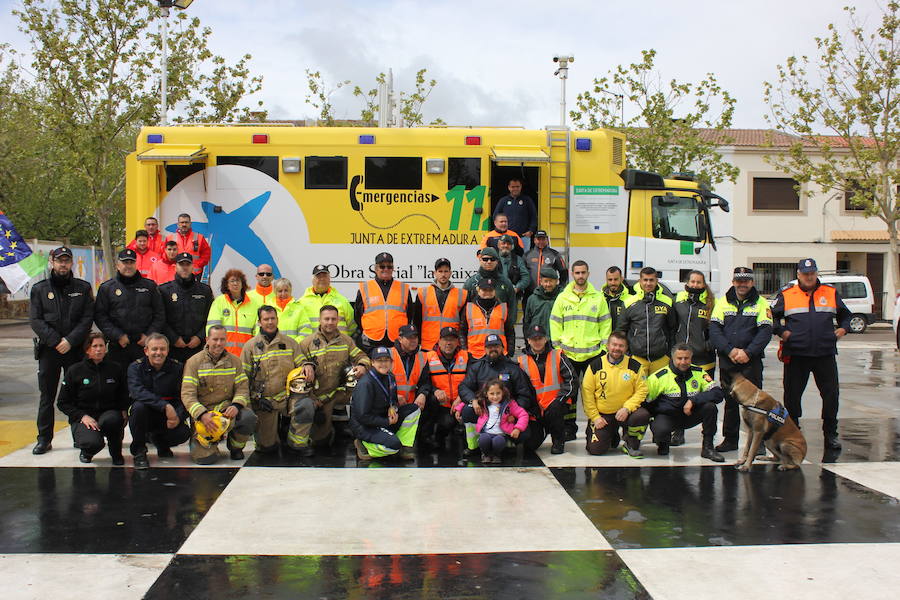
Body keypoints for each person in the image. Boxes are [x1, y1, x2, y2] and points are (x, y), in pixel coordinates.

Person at [771, 258, 850, 450]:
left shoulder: (830, 292)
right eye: (805, 274)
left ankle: (830, 434)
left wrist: (844, 329)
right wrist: (781, 332)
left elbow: (845, 315)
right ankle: (793, 432)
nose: (809, 277)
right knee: (792, 396)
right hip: (797, 354)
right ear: (798, 274)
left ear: (816, 273)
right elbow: (771, 317)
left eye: (812, 273)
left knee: (831, 395)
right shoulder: (787, 294)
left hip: (824, 353)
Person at [29, 246, 94, 455]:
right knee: (47, 396)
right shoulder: (39, 289)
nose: (63, 264)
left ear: (71, 263)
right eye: (59, 260)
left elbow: (87, 319)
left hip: (75, 349)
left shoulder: (83, 288)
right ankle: (44, 439)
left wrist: (70, 340)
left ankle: (80, 437)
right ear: (52, 262)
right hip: (50, 350)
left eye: (66, 260)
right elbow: (35, 320)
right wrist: (57, 340)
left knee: (78, 396)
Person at [709, 267, 773, 453]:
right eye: (739, 280)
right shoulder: (722, 303)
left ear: (752, 282)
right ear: (734, 281)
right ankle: (730, 440)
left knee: (755, 404)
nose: (742, 284)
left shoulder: (761, 303)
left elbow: (765, 332)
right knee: (730, 403)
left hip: (750, 361)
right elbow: (714, 330)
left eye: (746, 280)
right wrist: (729, 351)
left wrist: (748, 352)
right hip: (728, 361)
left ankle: (758, 443)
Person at [291, 305, 370, 454]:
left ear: (338, 320)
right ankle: (326, 430)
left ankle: (360, 435)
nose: (330, 322)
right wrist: (312, 397)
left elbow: (362, 356)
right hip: (318, 397)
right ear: (320, 320)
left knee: (364, 389)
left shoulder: (346, 341)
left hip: (339, 392)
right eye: (326, 319)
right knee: (321, 443)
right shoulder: (307, 343)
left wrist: (362, 366)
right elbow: (297, 368)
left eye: (333, 319)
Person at [549, 260, 611, 440]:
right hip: (569, 355)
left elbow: (605, 323)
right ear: (572, 274)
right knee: (570, 393)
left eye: (583, 272)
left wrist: (604, 349)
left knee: (596, 392)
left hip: (593, 354)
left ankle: (596, 425)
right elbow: (555, 323)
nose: (580, 276)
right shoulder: (563, 297)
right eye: (577, 273)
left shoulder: (598, 297)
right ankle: (569, 428)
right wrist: (558, 348)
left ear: (588, 274)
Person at [181, 325, 258, 464]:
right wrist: (202, 414)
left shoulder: (235, 361)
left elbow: (242, 387)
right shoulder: (193, 362)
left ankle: (236, 447)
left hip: (227, 411)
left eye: (222, 339)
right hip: (205, 416)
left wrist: (236, 405)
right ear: (207, 340)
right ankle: (200, 441)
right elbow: (187, 394)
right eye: (215, 339)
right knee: (206, 460)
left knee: (248, 417)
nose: (218, 343)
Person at [456, 334, 537, 456]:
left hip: (506, 415)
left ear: (502, 348)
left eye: (496, 346)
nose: (493, 349)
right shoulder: (477, 367)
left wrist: (513, 413)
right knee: (467, 410)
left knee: (526, 436)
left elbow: (524, 395)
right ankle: (474, 445)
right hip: (484, 412)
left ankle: (505, 442)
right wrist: (473, 400)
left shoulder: (513, 369)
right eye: (489, 346)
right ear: (484, 349)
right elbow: (464, 387)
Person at [56, 332, 129, 464]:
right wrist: (82, 416)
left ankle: (116, 454)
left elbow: (123, 394)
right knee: (93, 443)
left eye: (101, 345)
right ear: (87, 349)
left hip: (108, 412)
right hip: (84, 416)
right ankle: (87, 451)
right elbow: (62, 402)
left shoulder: (115, 369)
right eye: (95, 346)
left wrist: (123, 410)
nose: (99, 349)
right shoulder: (75, 371)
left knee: (113, 421)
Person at [645, 344, 725, 462]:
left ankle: (708, 448)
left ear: (691, 358)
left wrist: (693, 400)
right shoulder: (659, 377)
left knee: (710, 407)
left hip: (690, 415)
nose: (683, 362)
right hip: (669, 417)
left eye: (686, 358)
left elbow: (718, 393)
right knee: (660, 430)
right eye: (679, 358)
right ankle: (663, 441)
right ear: (672, 358)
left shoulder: (699, 373)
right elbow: (645, 401)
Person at [240, 305, 302, 454]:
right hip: (264, 401)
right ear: (259, 322)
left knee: (306, 405)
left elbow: (302, 364)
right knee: (268, 448)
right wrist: (255, 398)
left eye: (272, 318)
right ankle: (273, 433)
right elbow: (243, 380)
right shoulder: (250, 347)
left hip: (288, 399)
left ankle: (294, 440)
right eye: (266, 319)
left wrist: (307, 366)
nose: (270, 322)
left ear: (277, 319)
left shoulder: (290, 343)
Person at [126, 333, 191, 469]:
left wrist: (178, 416)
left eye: (162, 349)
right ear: (146, 351)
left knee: (183, 433)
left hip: (168, 417)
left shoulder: (178, 368)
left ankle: (161, 443)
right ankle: (139, 452)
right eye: (154, 349)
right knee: (138, 408)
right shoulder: (135, 368)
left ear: (168, 350)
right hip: (146, 414)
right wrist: (165, 406)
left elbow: (184, 396)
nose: (158, 353)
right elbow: (137, 392)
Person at [94, 248, 164, 371]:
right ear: (118, 265)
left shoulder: (150, 286)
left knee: (144, 383)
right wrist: (118, 335)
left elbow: (160, 314)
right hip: (118, 346)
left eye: (131, 262)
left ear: (136, 264)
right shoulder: (107, 288)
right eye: (125, 262)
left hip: (143, 345)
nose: (128, 266)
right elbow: (100, 316)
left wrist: (148, 336)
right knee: (119, 386)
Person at [581, 331, 649, 457]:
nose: (617, 348)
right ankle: (612, 433)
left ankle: (631, 443)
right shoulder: (595, 366)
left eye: (621, 346)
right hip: (603, 415)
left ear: (626, 348)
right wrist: (595, 417)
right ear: (607, 345)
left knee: (642, 415)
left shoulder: (634, 366)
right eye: (614, 345)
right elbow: (587, 393)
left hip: (625, 413)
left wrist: (627, 408)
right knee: (596, 450)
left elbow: (642, 390)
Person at [350, 346, 421, 461]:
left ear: (391, 362)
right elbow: (362, 416)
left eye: (386, 360)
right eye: (379, 360)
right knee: (393, 446)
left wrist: (393, 407)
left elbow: (392, 399)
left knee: (414, 409)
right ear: (372, 362)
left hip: (382, 418)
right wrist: (386, 421)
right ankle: (365, 445)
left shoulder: (390, 376)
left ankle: (403, 446)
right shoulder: (366, 384)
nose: (383, 364)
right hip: (365, 426)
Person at [671, 270, 716, 447]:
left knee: (706, 399)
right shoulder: (679, 302)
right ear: (687, 283)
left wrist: (707, 345)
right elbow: (672, 325)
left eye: (699, 282)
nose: (695, 285)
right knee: (679, 396)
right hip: (682, 360)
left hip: (704, 360)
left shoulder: (711, 304)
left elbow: (717, 329)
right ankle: (678, 431)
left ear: (704, 285)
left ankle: (708, 438)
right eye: (693, 282)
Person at [517, 325, 575, 454]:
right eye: (534, 339)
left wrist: (559, 400)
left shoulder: (558, 355)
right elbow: (521, 389)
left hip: (555, 405)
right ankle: (543, 430)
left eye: (540, 338)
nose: (537, 341)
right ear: (528, 340)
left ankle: (558, 440)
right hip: (535, 409)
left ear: (546, 339)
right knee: (529, 445)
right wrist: (531, 408)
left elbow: (571, 381)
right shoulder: (521, 361)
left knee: (556, 410)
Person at [418, 326, 471, 449]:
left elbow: (472, 382)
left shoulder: (467, 357)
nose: (449, 343)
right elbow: (423, 382)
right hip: (440, 405)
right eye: (445, 339)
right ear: (439, 341)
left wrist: (461, 397)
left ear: (458, 342)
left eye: (452, 340)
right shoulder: (428, 357)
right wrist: (435, 390)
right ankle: (427, 436)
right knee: (430, 401)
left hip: (459, 403)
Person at [618, 267, 676, 375]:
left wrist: (669, 354)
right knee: (639, 391)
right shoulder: (629, 303)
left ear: (657, 281)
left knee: (660, 392)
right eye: (645, 280)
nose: (648, 283)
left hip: (661, 359)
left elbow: (673, 329)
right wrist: (627, 354)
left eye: (651, 280)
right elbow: (621, 331)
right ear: (640, 281)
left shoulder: (667, 302)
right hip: (637, 358)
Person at [354, 252, 415, 354]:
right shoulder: (365, 288)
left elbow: (410, 314)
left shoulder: (403, 288)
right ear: (375, 268)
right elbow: (357, 315)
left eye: (389, 266)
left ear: (393, 268)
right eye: (382, 266)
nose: (386, 269)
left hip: (397, 341)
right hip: (371, 341)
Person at [159, 252, 213, 364]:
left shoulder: (205, 290)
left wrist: (199, 337)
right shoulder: (164, 290)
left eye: (187, 264)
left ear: (192, 266)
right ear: (175, 266)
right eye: (181, 264)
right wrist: (174, 338)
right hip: (172, 348)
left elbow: (211, 317)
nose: (184, 267)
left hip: (198, 347)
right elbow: (160, 318)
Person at [413, 258, 468, 352]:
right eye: (440, 271)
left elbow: (464, 325)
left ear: (450, 273)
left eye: (446, 271)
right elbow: (416, 321)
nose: (443, 274)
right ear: (435, 273)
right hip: (428, 345)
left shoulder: (462, 294)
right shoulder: (423, 293)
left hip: (451, 346)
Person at [471, 378, 530, 464]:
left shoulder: (509, 404)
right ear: (486, 394)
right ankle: (486, 454)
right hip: (486, 432)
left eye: (498, 393)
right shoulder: (482, 403)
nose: (495, 397)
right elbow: (465, 403)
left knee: (498, 441)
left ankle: (496, 454)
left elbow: (523, 415)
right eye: (492, 393)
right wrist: (458, 409)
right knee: (483, 439)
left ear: (503, 393)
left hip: (501, 434)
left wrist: (517, 428)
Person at [206, 269, 259, 356]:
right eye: (232, 281)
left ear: (243, 284)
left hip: (246, 354)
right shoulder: (219, 302)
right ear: (227, 285)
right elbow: (212, 327)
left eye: (238, 280)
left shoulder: (253, 304)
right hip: (222, 353)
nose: (235, 283)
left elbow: (257, 330)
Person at [462, 247, 518, 328]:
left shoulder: (506, 283)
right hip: (476, 332)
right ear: (480, 260)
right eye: (485, 259)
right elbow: (464, 310)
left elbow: (512, 307)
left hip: (499, 330)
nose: (489, 262)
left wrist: (509, 328)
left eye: (492, 259)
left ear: (497, 261)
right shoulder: (471, 283)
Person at [297, 264, 356, 338]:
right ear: (313, 280)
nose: (322, 279)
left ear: (329, 279)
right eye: (318, 276)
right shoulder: (301, 302)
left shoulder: (342, 300)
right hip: (313, 347)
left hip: (338, 346)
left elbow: (352, 326)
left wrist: (342, 339)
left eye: (324, 276)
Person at [459, 278, 514, 359]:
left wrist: (510, 352)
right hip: (474, 356)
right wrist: (464, 350)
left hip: (498, 355)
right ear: (478, 290)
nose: (487, 293)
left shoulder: (503, 308)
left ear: (495, 291)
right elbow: (462, 332)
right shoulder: (469, 308)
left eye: (490, 290)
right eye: (484, 290)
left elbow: (510, 332)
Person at [491, 177, 537, 251]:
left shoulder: (527, 200)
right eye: (513, 187)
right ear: (509, 187)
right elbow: (495, 217)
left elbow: (533, 217)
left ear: (521, 187)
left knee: (523, 260)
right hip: (506, 237)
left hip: (523, 237)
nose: (515, 189)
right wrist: (500, 232)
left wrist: (531, 231)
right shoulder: (503, 201)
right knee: (506, 258)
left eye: (517, 187)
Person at [523, 230, 567, 305]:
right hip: (530, 293)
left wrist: (560, 287)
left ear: (547, 240)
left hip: (549, 294)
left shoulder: (555, 254)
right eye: (538, 239)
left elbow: (564, 272)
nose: (541, 241)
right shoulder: (527, 255)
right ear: (534, 240)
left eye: (543, 239)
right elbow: (522, 273)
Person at [391, 325, 428, 408]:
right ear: (400, 339)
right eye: (409, 338)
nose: (413, 341)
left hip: (413, 404)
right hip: (390, 405)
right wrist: (394, 397)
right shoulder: (389, 355)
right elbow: (379, 383)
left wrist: (423, 394)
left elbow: (425, 382)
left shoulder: (422, 357)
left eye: (415, 337)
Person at [523, 266, 562, 336]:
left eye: (551, 281)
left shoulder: (563, 298)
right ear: (541, 281)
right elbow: (527, 323)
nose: (548, 284)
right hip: (538, 340)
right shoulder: (532, 299)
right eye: (546, 281)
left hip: (558, 340)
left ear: (557, 281)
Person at [270, 278, 307, 342]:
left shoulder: (299, 308)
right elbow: (259, 329)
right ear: (275, 292)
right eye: (280, 291)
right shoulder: (268, 307)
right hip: (272, 348)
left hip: (294, 349)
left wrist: (293, 344)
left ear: (290, 291)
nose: (283, 294)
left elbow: (305, 331)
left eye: (286, 290)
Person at [602, 266, 634, 333]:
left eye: (616, 279)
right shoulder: (599, 298)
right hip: (603, 341)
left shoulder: (631, 300)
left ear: (621, 279)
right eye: (610, 280)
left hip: (622, 341)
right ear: (606, 280)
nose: (613, 283)